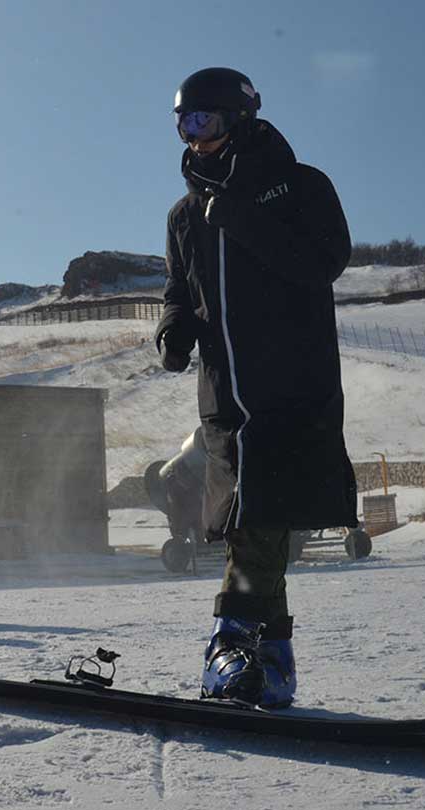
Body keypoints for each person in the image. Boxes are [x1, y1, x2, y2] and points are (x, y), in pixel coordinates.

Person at [155, 67, 356, 709]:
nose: (193, 137)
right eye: (184, 124)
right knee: (252, 524)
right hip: (224, 403)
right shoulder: (185, 216)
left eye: (204, 121)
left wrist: (243, 220)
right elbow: (179, 291)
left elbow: (325, 261)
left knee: (259, 519)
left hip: (291, 391)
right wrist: (173, 330)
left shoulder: (300, 187)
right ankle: (270, 661)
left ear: (237, 119)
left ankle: (231, 647)